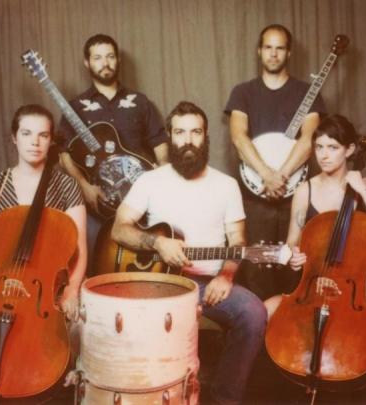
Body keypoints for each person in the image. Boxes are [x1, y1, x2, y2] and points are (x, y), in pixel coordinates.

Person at [111, 101, 267, 405]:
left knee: (254, 313)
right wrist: (157, 244)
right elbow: (119, 229)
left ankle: (224, 398)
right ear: (170, 136)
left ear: (205, 136)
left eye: (196, 132)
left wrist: (226, 275)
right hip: (159, 283)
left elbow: (238, 239)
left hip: (206, 285)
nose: (188, 140)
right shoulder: (150, 181)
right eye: (180, 132)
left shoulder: (226, 185)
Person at [0, 104, 87, 403]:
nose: (35, 142)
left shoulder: (66, 186)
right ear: (13, 137)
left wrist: (71, 290)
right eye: (27, 133)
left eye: (43, 135)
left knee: (80, 330)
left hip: (47, 291)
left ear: (51, 140)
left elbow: (80, 248)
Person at [224, 24, 326, 301]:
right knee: (256, 269)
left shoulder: (306, 92)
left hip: (296, 196)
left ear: (288, 53)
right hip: (255, 196)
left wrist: (280, 176)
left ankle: (291, 327)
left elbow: (309, 139)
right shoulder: (243, 92)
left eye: (279, 48)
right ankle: (259, 326)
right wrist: (267, 175)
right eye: (268, 47)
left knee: (295, 267)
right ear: (259, 51)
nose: (273, 53)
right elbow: (238, 137)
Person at [58, 34, 168, 272]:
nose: (105, 63)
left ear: (118, 60)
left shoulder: (140, 102)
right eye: (97, 58)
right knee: (93, 266)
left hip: (140, 207)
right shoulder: (75, 107)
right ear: (87, 63)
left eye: (109, 56)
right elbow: (63, 154)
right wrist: (84, 187)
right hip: (97, 206)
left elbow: (160, 144)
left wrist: (163, 174)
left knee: (140, 268)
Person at [266, 114, 366, 318]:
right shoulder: (305, 190)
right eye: (319, 147)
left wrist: (362, 189)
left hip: (357, 291)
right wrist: (293, 255)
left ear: (349, 150)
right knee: (265, 310)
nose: (324, 155)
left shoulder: (365, 187)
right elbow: (292, 241)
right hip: (315, 284)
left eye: (333, 147)